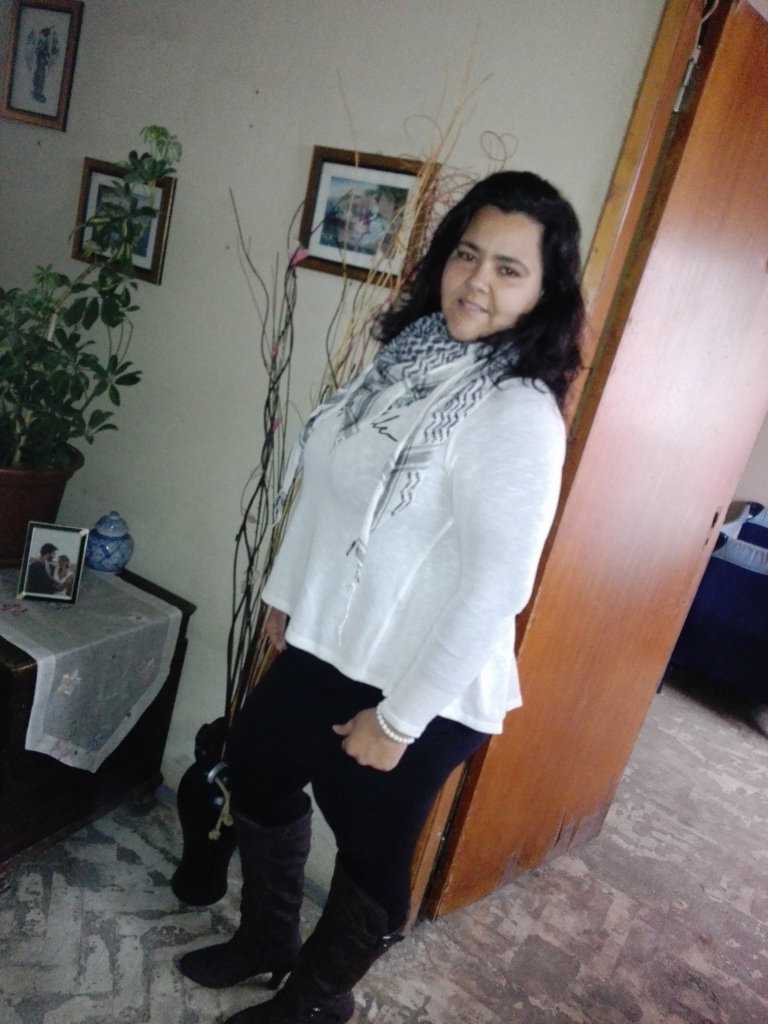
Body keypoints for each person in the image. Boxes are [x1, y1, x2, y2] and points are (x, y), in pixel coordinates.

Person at [178, 170, 585, 1024]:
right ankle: (268, 940)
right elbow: (328, 487)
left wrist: (399, 722)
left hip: (423, 678)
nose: (477, 280)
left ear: (546, 293)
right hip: (335, 639)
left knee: (370, 848)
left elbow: (498, 587)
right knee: (256, 767)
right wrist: (289, 597)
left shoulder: (517, 413)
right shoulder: (408, 360)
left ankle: (319, 1001)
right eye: (468, 254)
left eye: (509, 268)